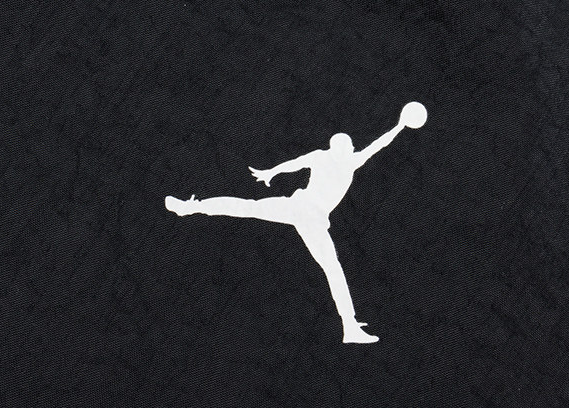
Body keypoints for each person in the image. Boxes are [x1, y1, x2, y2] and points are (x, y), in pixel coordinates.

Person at [166, 108, 423, 343]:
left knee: (250, 209)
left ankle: (350, 326)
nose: (344, 151)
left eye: (346, 148)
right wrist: (272, 171)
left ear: (348, 148)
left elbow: (377, 144)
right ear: (336, 148)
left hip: (304, 213)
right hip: (304, 211)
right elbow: (301, 162)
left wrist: (400, 126)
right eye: (341, 147)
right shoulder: (333, 158)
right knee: (329, 266)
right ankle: (349, 326)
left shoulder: (345, 160)